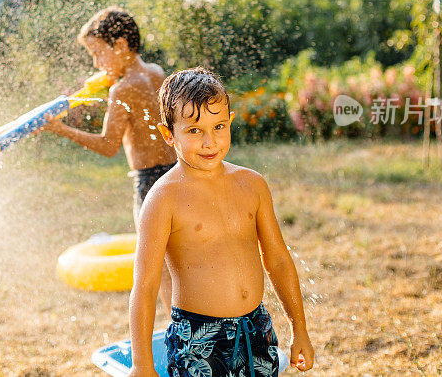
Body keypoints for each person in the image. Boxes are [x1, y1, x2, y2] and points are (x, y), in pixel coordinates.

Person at [129, 67, 314, 377]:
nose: (209, 141)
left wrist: (300, 330)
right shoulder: (163, 198)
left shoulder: (252, 184)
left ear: (230, 122)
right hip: (199, 339)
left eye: (218, 126)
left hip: (256, 329)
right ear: (168, 134)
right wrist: (142, 365)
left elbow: (278, 260)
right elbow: (145, 286)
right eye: (193, 130)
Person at [43, 6, 177, 306]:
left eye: (97, 52)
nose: (95, 62)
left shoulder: (122, 89)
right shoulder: (156, 73)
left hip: (150, 182)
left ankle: (178, 331)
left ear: (120, 45)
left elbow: (108, 145)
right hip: (178, 173)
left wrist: (60, 129)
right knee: (181, 259)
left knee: (162, 269)